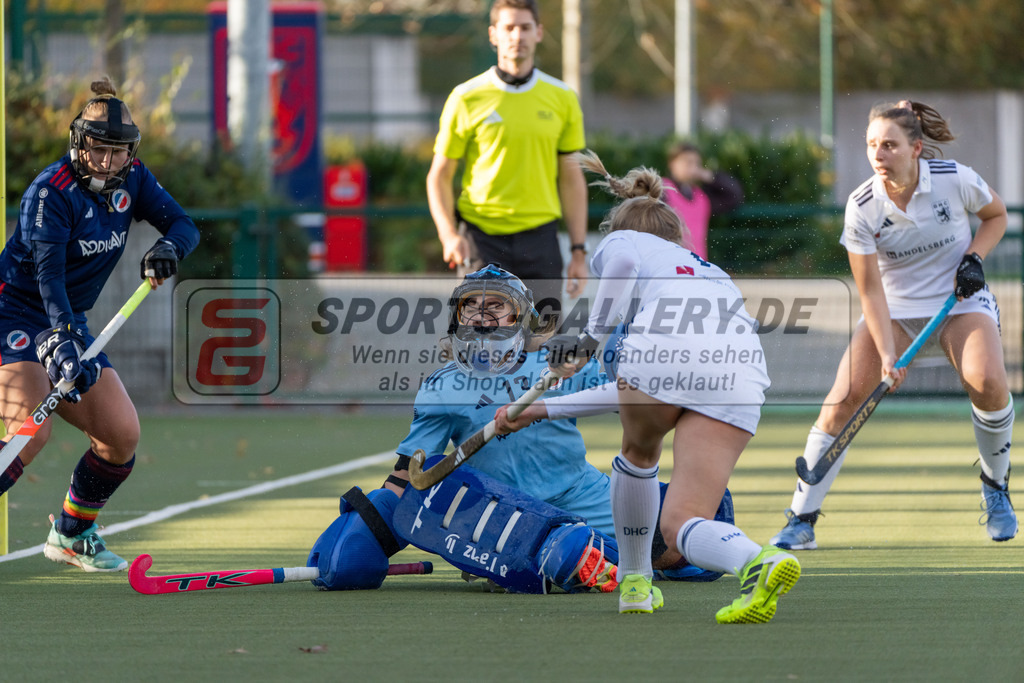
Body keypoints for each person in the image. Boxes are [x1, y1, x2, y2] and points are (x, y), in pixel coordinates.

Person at [307, 264, 734, 593]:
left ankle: (600, 557)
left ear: (521, 317)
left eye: (495, 305)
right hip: (499, 511)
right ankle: (548, 556)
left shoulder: (557, 363)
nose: (481, 314)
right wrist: (373, 525)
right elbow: (409, 475)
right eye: (471, 305)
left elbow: (629, 395)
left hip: (581, 492)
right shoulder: (442, 388)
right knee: (578, 556)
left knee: (679, 544)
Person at [525, 150, 800, 622]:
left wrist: (590, 341)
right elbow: (643, 390)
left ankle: (635, 583)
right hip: (740, 375)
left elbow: (623, 268)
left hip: (664, 362)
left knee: (638, 454)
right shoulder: (711, 272)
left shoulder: (621, 242)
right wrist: (541, 410)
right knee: (680, 524)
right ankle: (757, 559)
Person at [770, 100, 1017, 550]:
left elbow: (995, 216)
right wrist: (887, 354)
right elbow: (870, 292)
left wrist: (974, 258)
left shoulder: (954, 179)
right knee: (839, 404)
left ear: (916, 148)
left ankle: (996, 487)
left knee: (987, 381)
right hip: (894, 311)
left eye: (889, 145)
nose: (878, 155)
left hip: (959, 301)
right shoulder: (862, 207)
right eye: (871, 146)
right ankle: (801, 518)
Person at [0, 77, 199, 571]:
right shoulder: (50, 194)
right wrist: (61, 340)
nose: (107, 162)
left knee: (120, 435)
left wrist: (169, 249)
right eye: (98, 150)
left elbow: (184, 224)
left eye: (117, 152)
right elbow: (48, 279)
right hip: (17, 316)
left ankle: (72, 533)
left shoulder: (133, 179)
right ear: (78, 142)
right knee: (31, 430)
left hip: (69, 322)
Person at [426, 0, 589, 322]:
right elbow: (439, 176)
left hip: (541, 239)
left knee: (540, 349)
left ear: (539, 32)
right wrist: (448, 235)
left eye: (525, 27)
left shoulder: (562, 98)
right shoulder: (465, 97)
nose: (518, 36)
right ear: (493, 34)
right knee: (483, 348)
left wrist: (578, 252)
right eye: (509, 28)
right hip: (481, 239)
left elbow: (572, 179)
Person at [662, 141, 744, 260]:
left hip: (697, 265)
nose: (692, 167)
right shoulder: (662, 189)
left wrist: (708, 176)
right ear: (672, 163)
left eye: (696, 163)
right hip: (670, 263)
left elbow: (734, 196)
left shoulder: (701, 197)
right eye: (687, 162)